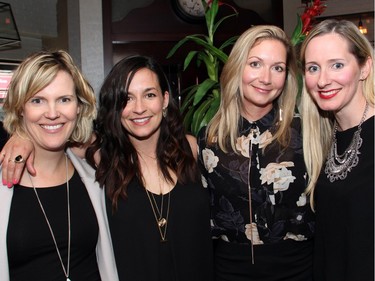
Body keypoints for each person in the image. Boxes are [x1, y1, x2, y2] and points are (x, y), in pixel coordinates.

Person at [1, 55, 214, 281]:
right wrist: (19, 136)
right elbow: (53, 133)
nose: (139, 108)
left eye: (149, 95)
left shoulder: (191, 148)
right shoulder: (102, 157)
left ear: (164, 99)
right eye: (126, 98)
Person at [197, 25, 315, 280]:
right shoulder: (209, 139)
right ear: (237, 67)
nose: (266, 78)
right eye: (255, 64)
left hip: (299, 269)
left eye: (277, 68)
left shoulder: (307, 133)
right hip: (230, 269)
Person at [0, 50, 118, 281]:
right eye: (37, 100)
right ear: (21, 108)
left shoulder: (95, 177)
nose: (53, 113)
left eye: (64, 99)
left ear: (78, 106)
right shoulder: (4, 185)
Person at [300, 19, 374, 281]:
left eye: (337, 65)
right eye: (313, 68)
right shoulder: (319, 139)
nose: (323, 80)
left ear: (365, 67)